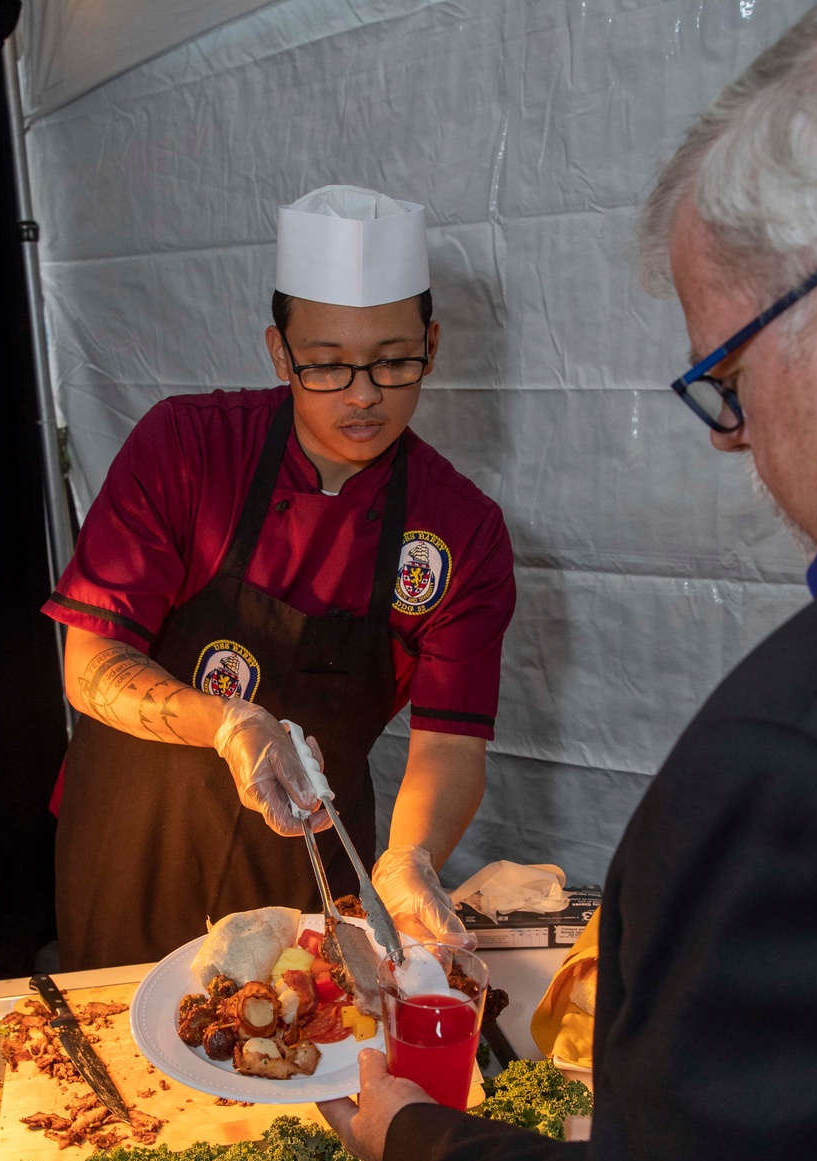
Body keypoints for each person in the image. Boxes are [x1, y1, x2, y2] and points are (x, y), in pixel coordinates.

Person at [320, 3, 817, 1161]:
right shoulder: (190, 450)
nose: (735, 444)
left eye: (725, 380)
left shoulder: (812, 762)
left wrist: (413, 1121)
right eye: (333, 365)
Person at [43, 185, 514, 969]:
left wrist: (411, 856)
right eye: (327, 366)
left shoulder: (462, 530)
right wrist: (229, 723)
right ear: (278, 353)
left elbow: (450, 741)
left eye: (394, 361)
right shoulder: (188, 448)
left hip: (309, 867)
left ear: (431, 346)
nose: (364, 396)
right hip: (133, 839)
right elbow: (88, 668)